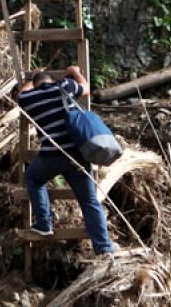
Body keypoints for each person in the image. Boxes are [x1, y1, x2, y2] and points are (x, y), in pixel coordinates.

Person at [14, 64, 115, 254]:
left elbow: (21, 94)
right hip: (77, 155)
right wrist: (74, 72)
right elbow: (86, 89)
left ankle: (44, 223)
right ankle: (104, 248)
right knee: (89, 200)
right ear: (51, 81)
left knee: (33, 179)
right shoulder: (64, 86)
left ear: (35, 85)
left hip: (51, 156)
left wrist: (31, 77)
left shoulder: (29, 98)